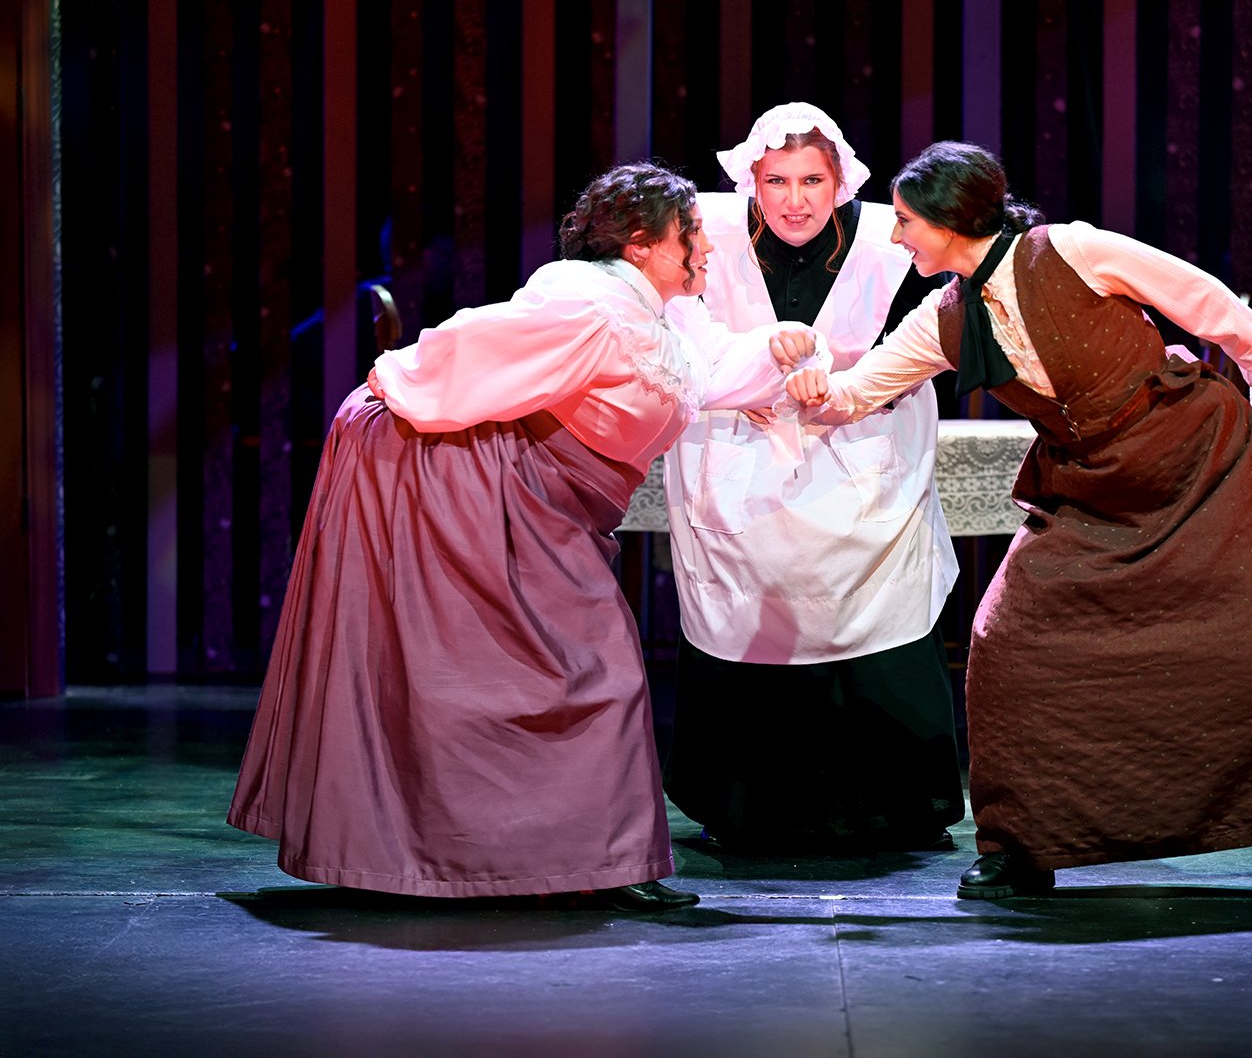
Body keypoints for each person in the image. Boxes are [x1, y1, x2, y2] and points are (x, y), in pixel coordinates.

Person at [786, 141, 1252, 905]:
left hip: (1197, 464)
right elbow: (856, 391)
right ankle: (1022, 845)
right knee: (1006, 640)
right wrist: (808, 379)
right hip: (1092, 494)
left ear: (949, 219)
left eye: (907, 221)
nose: (896, 235)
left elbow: (1202, 299)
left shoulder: (1072, 249)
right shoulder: (942, 321)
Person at [227, 164, 817, 909]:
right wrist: (399, 384)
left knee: (575, 670)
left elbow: (695, 376)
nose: (706, 247)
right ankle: (563, 859)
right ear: (640, 245)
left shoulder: (645, 313)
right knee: (555, 669)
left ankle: (590, 859)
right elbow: (475, 338)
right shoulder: (592, 307)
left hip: (546, 501)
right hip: (477, 486)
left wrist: (777, 349)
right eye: (689, 234)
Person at [659, 103, 964, 852]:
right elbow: (679, 338)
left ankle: (894, 805)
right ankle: (744, 804)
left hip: (860, 461)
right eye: (778, 180)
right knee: (752, 624)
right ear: (751, 183)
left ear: (840, 182)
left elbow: (925, 352)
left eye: (812, 180)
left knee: (875, 623)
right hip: (741, 468)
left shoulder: (888, 248)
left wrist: (843, 382)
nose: (795, 199)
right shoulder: (711, 238)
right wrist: (756, 378)